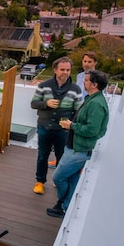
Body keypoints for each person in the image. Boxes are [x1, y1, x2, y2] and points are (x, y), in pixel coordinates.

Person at [47, 69, 110, 218]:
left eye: (87, 80)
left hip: (79, 150)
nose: (84, 82)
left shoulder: (96, 104)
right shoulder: (92, 99)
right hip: (75, 147)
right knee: (73, 179)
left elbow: (93, 130)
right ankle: (65, 207)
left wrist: (72, 126)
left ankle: (62, 201)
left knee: (58, 177)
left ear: (94, 84)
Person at [30, 57, 82, 195]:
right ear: (55, 70)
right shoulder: (44, 85)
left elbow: (78, 111)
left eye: (68, 70)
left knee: (61, 156)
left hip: (63, 131)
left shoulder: (76, 89)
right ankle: (40, 182)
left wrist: (71, 124)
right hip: (44, 127)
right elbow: (33, 103)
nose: (65, 72)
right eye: (62, 69)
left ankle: (57, 180)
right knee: (42, 156)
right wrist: (45, 104)